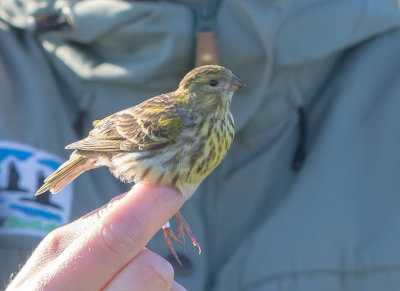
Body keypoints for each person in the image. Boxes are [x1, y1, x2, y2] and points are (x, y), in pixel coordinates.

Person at [2, 0, 400, 290]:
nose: (230, 87)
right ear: (196, 91)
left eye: (229, 81)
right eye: (216, 83)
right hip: (114, 143)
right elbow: (121, 133)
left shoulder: (384, 55)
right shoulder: (176, 120)